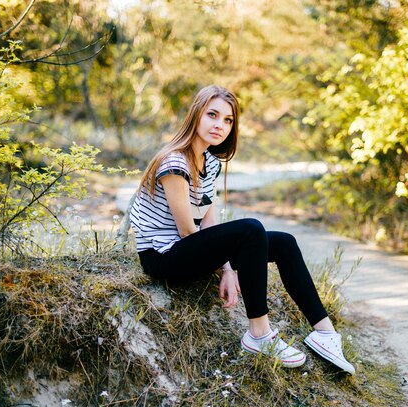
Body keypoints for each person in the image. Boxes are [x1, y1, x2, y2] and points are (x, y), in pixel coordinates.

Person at [129, 85, 355, 374]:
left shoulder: (209, 161)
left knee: (283, 242)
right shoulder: (174, 161)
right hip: (163, 257)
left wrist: (226, 268)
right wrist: (225, 266)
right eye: (212, 115)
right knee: (250, 229)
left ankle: (325, 333)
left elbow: (208, 222)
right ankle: (259, 334)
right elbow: (188, 231)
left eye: (228, 120)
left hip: (189, 248)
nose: (219, 125)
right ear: (196, 114)